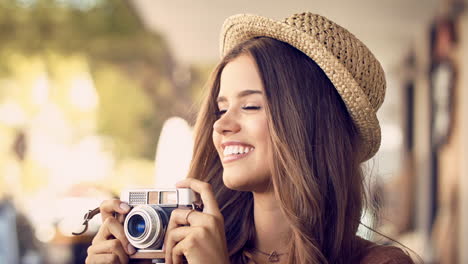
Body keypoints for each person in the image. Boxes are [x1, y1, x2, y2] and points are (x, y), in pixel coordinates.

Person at [86, 12, 415, 264]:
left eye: (251, 105)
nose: (222, 125)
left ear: (309, 123)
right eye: (222, 107)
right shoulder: (184, 250)